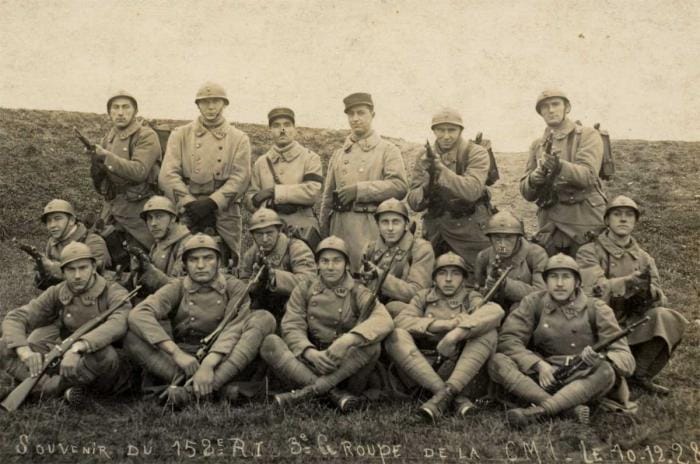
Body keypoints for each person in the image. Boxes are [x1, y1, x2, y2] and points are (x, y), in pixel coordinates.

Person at [124, 234, 275, 406]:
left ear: (219, 262)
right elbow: (140, 313)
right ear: (185, 264)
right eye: (194, 260)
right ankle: (206, 388)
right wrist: (176, 353)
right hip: (184, 359)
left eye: (208, 258)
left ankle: (194, 391)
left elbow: (234, 327)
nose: (201, 265)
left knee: (264, 318)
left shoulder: (233, 286)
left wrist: (209, 364)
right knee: (131, 337)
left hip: (223, 356)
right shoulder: (178, 286)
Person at [488, 254, 635, 428]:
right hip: (544, 377)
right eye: (553, 277)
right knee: (498, 362)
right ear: (546, 281)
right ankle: (565, 409)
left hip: (583, 377)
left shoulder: (596, 308)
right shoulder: (534, 302)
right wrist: (538, 365)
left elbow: (625, 357)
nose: (559, 284)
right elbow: (509, 339)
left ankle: (540, 411)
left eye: (566, 277)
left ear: (577, 282)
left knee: (606, 371)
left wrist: (601, 359)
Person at [260, 236, 394, 412]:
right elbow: (292, 325)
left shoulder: (357, 291)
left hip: (345, 365)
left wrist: (347, 341)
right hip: (311, 360)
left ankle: (310, 392)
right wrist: (310, 353)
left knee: (372, 346)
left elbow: (384, 320)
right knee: (270, 343)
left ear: (346, 264)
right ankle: (333, 394)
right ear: (317, 265)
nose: (330, 267)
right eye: (325, 261)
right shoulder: (305, 288)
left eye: (337, 261)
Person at [576, 195, 687, 395]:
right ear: (607, 220)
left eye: (629, 215)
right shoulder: (589, 251)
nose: (623, 219)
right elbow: (591, 291)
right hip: (598, 324)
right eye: (617, 214)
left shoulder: (644, 258)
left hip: (631, 322)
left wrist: (649, 293)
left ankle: (641, 375)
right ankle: (612, 374)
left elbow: (660, 294)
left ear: (635, 222)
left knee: (668, 317)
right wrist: (627, 283)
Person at [0, 243, 133, 403]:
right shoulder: (58, 291)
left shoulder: (114, 292)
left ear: (93, 267)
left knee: (106, 356)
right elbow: (16, 317)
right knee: (4, 346)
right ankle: (52, 388)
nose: (77, 275)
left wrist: (78, 348)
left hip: (100, 361)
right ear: (62, 272)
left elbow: (118, 323)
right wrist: (24, 351)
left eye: (83, 268)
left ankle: (44, 389)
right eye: (71, 269)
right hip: (64, 354)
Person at [384, 252, 504, 421]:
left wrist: (455, 334)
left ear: (463, 279)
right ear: (434, 278)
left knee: (488, 332)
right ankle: (450, 396)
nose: (448, 279)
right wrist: (444, 325)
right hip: (423, 368)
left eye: (455, 273)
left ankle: (443, 395)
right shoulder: (424, 296)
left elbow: (496, 311)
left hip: (460, 369)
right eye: (442, 273)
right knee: (395, 335)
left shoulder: (472, 297)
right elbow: (401, 320)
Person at [159, 82, 251, 267]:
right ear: (198, 105)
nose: (210, 107)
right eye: (205, 102)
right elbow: (168, 174)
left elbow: (241, 177)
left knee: (226, 263)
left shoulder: (239, 138)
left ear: (224, 104)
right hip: (188, 210)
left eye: (215, 101)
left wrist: (212, 202)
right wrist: (188, 202)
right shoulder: (180, 135)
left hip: (224, 211)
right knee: (181, 260)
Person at [319, 92, 408, 272]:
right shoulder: (339, 154)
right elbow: (327, 199)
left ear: (372, 115)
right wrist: (323, 231)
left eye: (361, 113)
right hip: (340, 227)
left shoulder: (387, 150)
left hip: (370, 229)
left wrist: (359, 190)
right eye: (351, 114)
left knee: (368, 279)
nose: (355, 119)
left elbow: (399, 186)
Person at [520, 89, 607, 257]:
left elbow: (588, 176)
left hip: (583, 221)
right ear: (541, 113)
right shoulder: (537, 145)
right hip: (550, 226)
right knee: (553, 277)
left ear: (567, 108)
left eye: (555, 104)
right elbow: (526, 192)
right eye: (545, 107)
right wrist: (533, 179)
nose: (551, 110)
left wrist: (559, 167)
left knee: (588, 275)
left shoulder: (587, 135)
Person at [406, 108, 493, 273]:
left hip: (470, 229)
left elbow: (472, 190)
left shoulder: (476, 153)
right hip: (436, 230)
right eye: (440, 130)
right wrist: (427, 184)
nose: (446, 136)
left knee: (478, 277)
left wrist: (441, 170)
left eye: (452, 130)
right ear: (433, 131)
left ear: (460, 130)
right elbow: (413, 202)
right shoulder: (423, 156)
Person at [90, 90, 161, 250]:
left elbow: (139, 171)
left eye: (126, 107)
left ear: (135, 111)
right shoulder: (107, 138)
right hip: (112, 207)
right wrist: (96, 164)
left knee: (149, 252)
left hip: (138, 207)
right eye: (115, 107)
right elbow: (101, 183)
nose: (120, 112)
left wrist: (106, 157)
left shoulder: (146, 135)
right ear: (109, 112)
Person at [245, 107, 323, 249]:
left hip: (302, 229)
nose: (282, 130)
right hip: (269, 231)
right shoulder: (261, 163)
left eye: (287, 124)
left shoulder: (310, 158)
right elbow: (251, 198)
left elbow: (312, 192)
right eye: (276, 125)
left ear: (295, 129)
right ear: (270, 130)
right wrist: (267, 204)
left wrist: (274, 192)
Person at [238, 208, 317, 324]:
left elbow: (309, 282)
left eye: (269, 233)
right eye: (259, 234)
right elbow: (242, 287)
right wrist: (254, 283)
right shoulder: (251, 254)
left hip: (292, 308)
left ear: (279, 231)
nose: (265, 239)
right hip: (263, 309)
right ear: (253, 236)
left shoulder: (296, 248)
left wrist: (274, 276)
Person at [358, 198, 434, 317]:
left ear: (406, 225)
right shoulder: (370, 248)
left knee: (393, 307)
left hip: (406, 312)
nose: (390, 228)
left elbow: (417, 293)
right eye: (385, 222)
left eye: (396, 222)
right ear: (377, 225)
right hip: (374, 310)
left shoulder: (420, 249)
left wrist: (380, 276)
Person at [473, 211, 548, 314]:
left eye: (509, 237)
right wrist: (485, 289)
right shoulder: (483, 256)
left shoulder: (535, 254)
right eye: (497, 237)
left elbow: (542, 293)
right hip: (494, 309)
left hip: (525, 309)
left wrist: (505, 284)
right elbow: (475, 290)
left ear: (519, 237)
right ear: (490, 238)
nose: (502, 244)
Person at [34, 199, 111, 289]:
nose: (52, 225)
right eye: (49, 221)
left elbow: (94, 277)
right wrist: (42, 270)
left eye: (57, 219)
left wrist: (52, 267)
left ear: (71, 220)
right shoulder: (52, 242)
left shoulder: (93, 241)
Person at [130, 195, 191, 292]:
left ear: (173, 219)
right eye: (149, 218)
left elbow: (180, 290)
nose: (153, 223)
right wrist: (138, 272)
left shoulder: (187, 244)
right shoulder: (158, 243)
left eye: (159, 216)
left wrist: (150, 271)